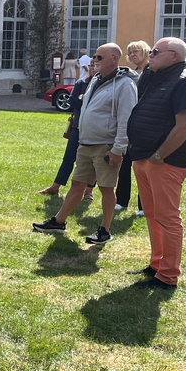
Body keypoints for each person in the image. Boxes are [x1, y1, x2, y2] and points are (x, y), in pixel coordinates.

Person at [33, 43, 137, 245]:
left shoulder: (125, 84)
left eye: (99, 57)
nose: (94, 61)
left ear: (114, 59)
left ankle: (104, 230)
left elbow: (127, 119)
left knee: (106, 189)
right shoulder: (95, 80)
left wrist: (118, 149)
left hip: (106, 145)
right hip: (86, 142)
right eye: (95, 57)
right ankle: (59, 221)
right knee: (77, 184)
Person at [126, 37, 186, 289]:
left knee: (168, 218)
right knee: (151, 213)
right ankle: (157, 264)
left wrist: (159, 155)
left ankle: (168, 275)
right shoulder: (155, 75)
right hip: (144, 156)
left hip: (165, 161)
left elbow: (184, 127)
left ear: (174, 56)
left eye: (156, 52)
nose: (151, 55)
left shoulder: (185, 83)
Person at [36, 76, 96, 202]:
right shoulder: (81, 82)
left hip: (94, 129)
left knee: (93, 161)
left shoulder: (103, 83)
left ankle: (88, 191)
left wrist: (86, 100)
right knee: (68, 157)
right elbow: (72, 101)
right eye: (91, 65)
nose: (93, 67)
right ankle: (55, 187)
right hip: (77, 127)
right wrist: (82, 99)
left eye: (95, 64)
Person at [116, 40, 151, 213]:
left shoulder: (152, 72)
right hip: (128, 122)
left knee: (142, 168)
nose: (132, 55)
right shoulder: (129, 73)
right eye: (130, 53)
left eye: (136, 51)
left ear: (145, 51)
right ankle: (121, 201)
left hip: (144, 124)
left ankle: (143, 205)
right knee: (124, 164)